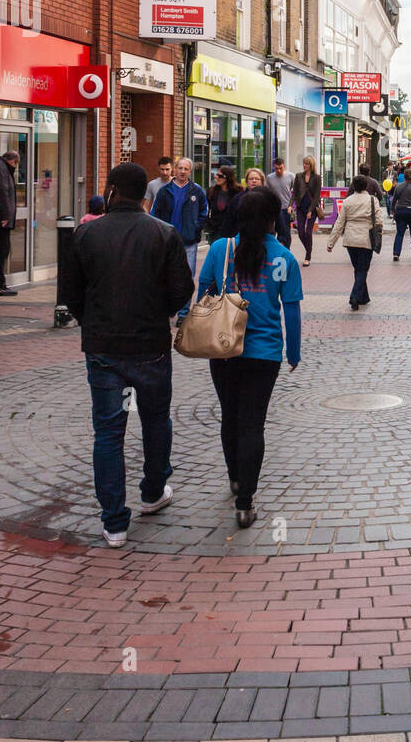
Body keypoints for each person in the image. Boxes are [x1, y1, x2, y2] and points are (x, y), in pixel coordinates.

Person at [63, 162, 194, 546]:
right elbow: (180, 289)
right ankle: (153, 491)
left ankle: (114, 521)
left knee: (108, 432)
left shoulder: (86, 233)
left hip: (103, 347)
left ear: (113, 191)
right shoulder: (163, 233)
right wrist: (160, 313)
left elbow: (70, 293)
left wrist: (92, 320)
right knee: (155, 420)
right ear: (144, 195)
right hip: (150, 345)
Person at [197, 187, 301, 528]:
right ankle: (245, 502)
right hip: (265, 353)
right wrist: (294, 352)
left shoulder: (219, 250)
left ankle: (235, 479)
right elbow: (292, 310)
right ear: (274, 218)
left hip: (224, 349)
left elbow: (204, 294)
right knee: (253, 422)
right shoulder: (284, 258)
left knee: (230, 415)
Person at [151, 157, 208, 319]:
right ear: (175, 169)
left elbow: (204, 213)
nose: (183, 172)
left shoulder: (197, 191)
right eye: (180, 168)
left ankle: (183, 313)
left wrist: (196, 228)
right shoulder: (164, 191)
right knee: (165, 274)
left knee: (187, 276)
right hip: (168, 241)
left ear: (190, 171)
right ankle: (167, 309)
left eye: (186, 169)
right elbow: (155, 214)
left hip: (189, 241)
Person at [327, 174, 378, 310]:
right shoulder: (372, 200)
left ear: (353, 186)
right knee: (363, 269)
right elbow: (379, 221)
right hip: (366, 238)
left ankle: (363, 297)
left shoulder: (347, 201)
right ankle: (354, 296)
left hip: (350, 239)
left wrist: (331, 242)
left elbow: (339, 223)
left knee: (358, 268)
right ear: (366, 186)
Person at [289, 156, 323, 267]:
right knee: (300, 232)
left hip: (312, 208)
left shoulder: (317, 177)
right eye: (304, 163)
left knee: (308, 232)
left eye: (307, 164)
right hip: (300, 207)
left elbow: (317, 196)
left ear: (311, 165)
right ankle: (309, 249)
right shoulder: (298, 176)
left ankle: (307, 256)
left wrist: (310, 210)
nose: (304, 165)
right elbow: (294, 193)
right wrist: (290, 205)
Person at [0, 149, 20, 296]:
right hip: (1, 221)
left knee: (2, 251)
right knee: (2, 251)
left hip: (3, 219)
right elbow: (2, 191)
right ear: (13, 161)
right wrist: (4, 215)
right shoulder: (2, 169)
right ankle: (0, 285)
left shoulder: (3, 168)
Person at [222, 167, 267, 239]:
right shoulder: (237, 199)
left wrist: (282, 239)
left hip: (263, 239)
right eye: (251, 179)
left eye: (257, 179)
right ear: (246, 181)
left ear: (262, 181)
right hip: (240, 240)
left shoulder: (268, 199)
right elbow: (229, 221)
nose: (254, 181)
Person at [392, 167, 411, 260]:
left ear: (404, 176)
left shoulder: (399, 186)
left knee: (400, 233)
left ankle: (396, 253)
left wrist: (393, 210)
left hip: (400, 210)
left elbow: (394, 199)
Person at [207, 166, 240, 240]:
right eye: (217, 175)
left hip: (232, 230)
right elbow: (207, 209)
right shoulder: (211, 192)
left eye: (220, 176)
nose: (217, 177)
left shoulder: (238, 192)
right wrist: (208, 224)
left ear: (228, 177)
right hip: (215, 230)